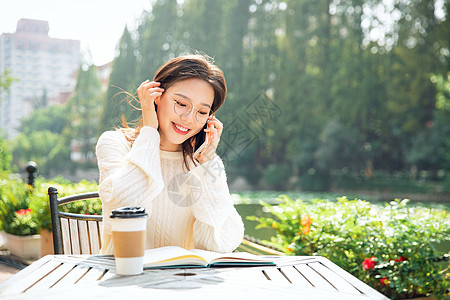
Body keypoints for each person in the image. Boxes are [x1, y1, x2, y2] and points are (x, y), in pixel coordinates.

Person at [96, 54, 244, 254]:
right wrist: (149, 131)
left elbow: (223, 241)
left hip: (184, 279)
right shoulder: (114, 144)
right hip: (126, 276)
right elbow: (124, 205)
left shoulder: (200, 161)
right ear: (156, 96)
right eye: (181, 104)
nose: (189, 119)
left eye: (201, 112)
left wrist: (207, 163)